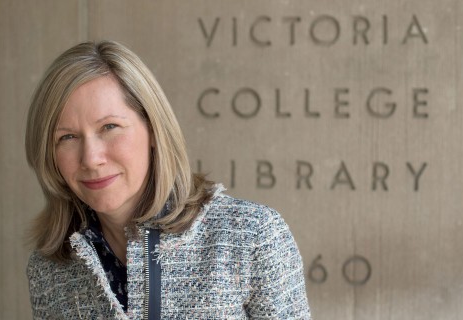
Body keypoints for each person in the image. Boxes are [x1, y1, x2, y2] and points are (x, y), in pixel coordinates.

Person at [25, 40, 311, 319]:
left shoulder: (252, 237)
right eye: (68, 137)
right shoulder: (49, 268)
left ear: (152, 129)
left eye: (109, 127)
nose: (91, 158)